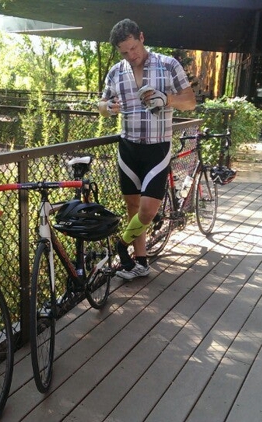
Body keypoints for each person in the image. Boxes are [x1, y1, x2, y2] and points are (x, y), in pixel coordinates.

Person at [98, 18, 196, 280]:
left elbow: (191, 103)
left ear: (141, 37)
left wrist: (169, 99)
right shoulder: (116, 72)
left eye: (133, 48)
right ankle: (140, 263)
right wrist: (108, 108)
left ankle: (122, 245)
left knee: (148, 211)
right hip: (128, 148)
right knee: (132, 206)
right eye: (124, 52)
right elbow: (101, 104)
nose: (131, 56)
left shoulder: (168, 65)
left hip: (157, 148)